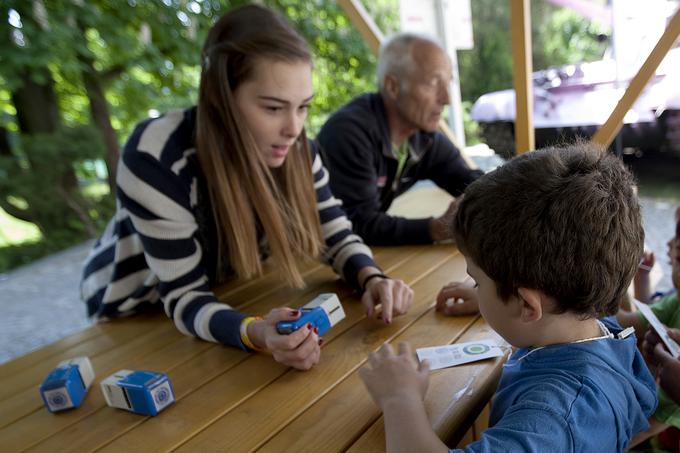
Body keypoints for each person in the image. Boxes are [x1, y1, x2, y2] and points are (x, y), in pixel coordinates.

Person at [80, 4, 413, 371]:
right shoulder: (155, 157)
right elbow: (183, 296)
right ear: (221, 100)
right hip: (133, 311)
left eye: (303, 107)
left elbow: (335, 234)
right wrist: (256, 333)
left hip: (219, 295)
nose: (294, 128)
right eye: (273, 108)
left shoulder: (297, 150)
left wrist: (373, 278)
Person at [358, 142, 657, 452]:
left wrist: (399, 399)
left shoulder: (556, 418)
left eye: (477, 280)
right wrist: (491, 298)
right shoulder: (594, 324)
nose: (475, 287)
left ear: (527, 304)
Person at [315, 33, 483, 246]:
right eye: (433, 83)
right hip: (301, 257)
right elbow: (355, 222)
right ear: (393, 87)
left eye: (448, 83)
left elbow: (473, 183)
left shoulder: (423, 138)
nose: (446, 99)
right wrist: (436, 228)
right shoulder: (349, 133)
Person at [615, 207, 680, 446]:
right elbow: (641, 320)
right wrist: (637, 276)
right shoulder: (676, 299)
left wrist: (611, 276)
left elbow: (626, 322)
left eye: (679, 255)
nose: (670, 244)